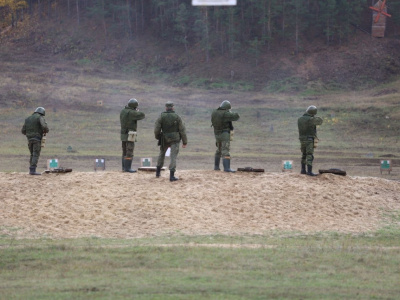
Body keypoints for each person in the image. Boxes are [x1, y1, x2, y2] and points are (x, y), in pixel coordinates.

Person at [154, 101, 187, 181]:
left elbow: (156, 129)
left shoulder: (161, 116)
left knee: (161, 154)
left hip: (164, 138)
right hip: (175, 139)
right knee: (173, 156)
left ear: (166, 108)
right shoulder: (177, 117)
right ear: (172, 107)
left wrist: (158, 137)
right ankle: (171, 176)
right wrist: (184, 141)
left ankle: (158, 173)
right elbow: (182, 130)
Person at [211, 100, 240, 172]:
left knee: (219, 150)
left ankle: (216, 167)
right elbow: (236, 116)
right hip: (224, 134)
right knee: (225, 150)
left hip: (217, 134)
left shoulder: (214, 112)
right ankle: (227, 168)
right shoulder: (225, 114)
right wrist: (230, 112)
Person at [21, 107, 49, 175]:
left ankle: (31, 169)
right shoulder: (39, 117)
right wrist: (45, 131)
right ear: (42, 112)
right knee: (36, 154)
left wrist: (29, 134)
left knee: (32, 154)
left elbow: (23, 131)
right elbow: (44, 127)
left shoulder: (28, 119)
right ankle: (33, 170)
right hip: (37, 138)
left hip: (29, 139)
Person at [120, 98, 145, 173]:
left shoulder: (123, 111)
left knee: (124, 150)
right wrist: (136, 111)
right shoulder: (132, 112)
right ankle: (128, 168)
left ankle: (124, 167)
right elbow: (142, 115)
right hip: (131, 134)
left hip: (123, 133)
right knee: (129, 150)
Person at [298, 105, 323, 176]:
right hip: (309, 139)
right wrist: (313, 116)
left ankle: (303, 170)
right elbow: (320, 121)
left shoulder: (300, 119)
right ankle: (309, 171)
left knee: (304, 154)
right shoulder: (311, 119)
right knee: (309, 155)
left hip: (302, 139)